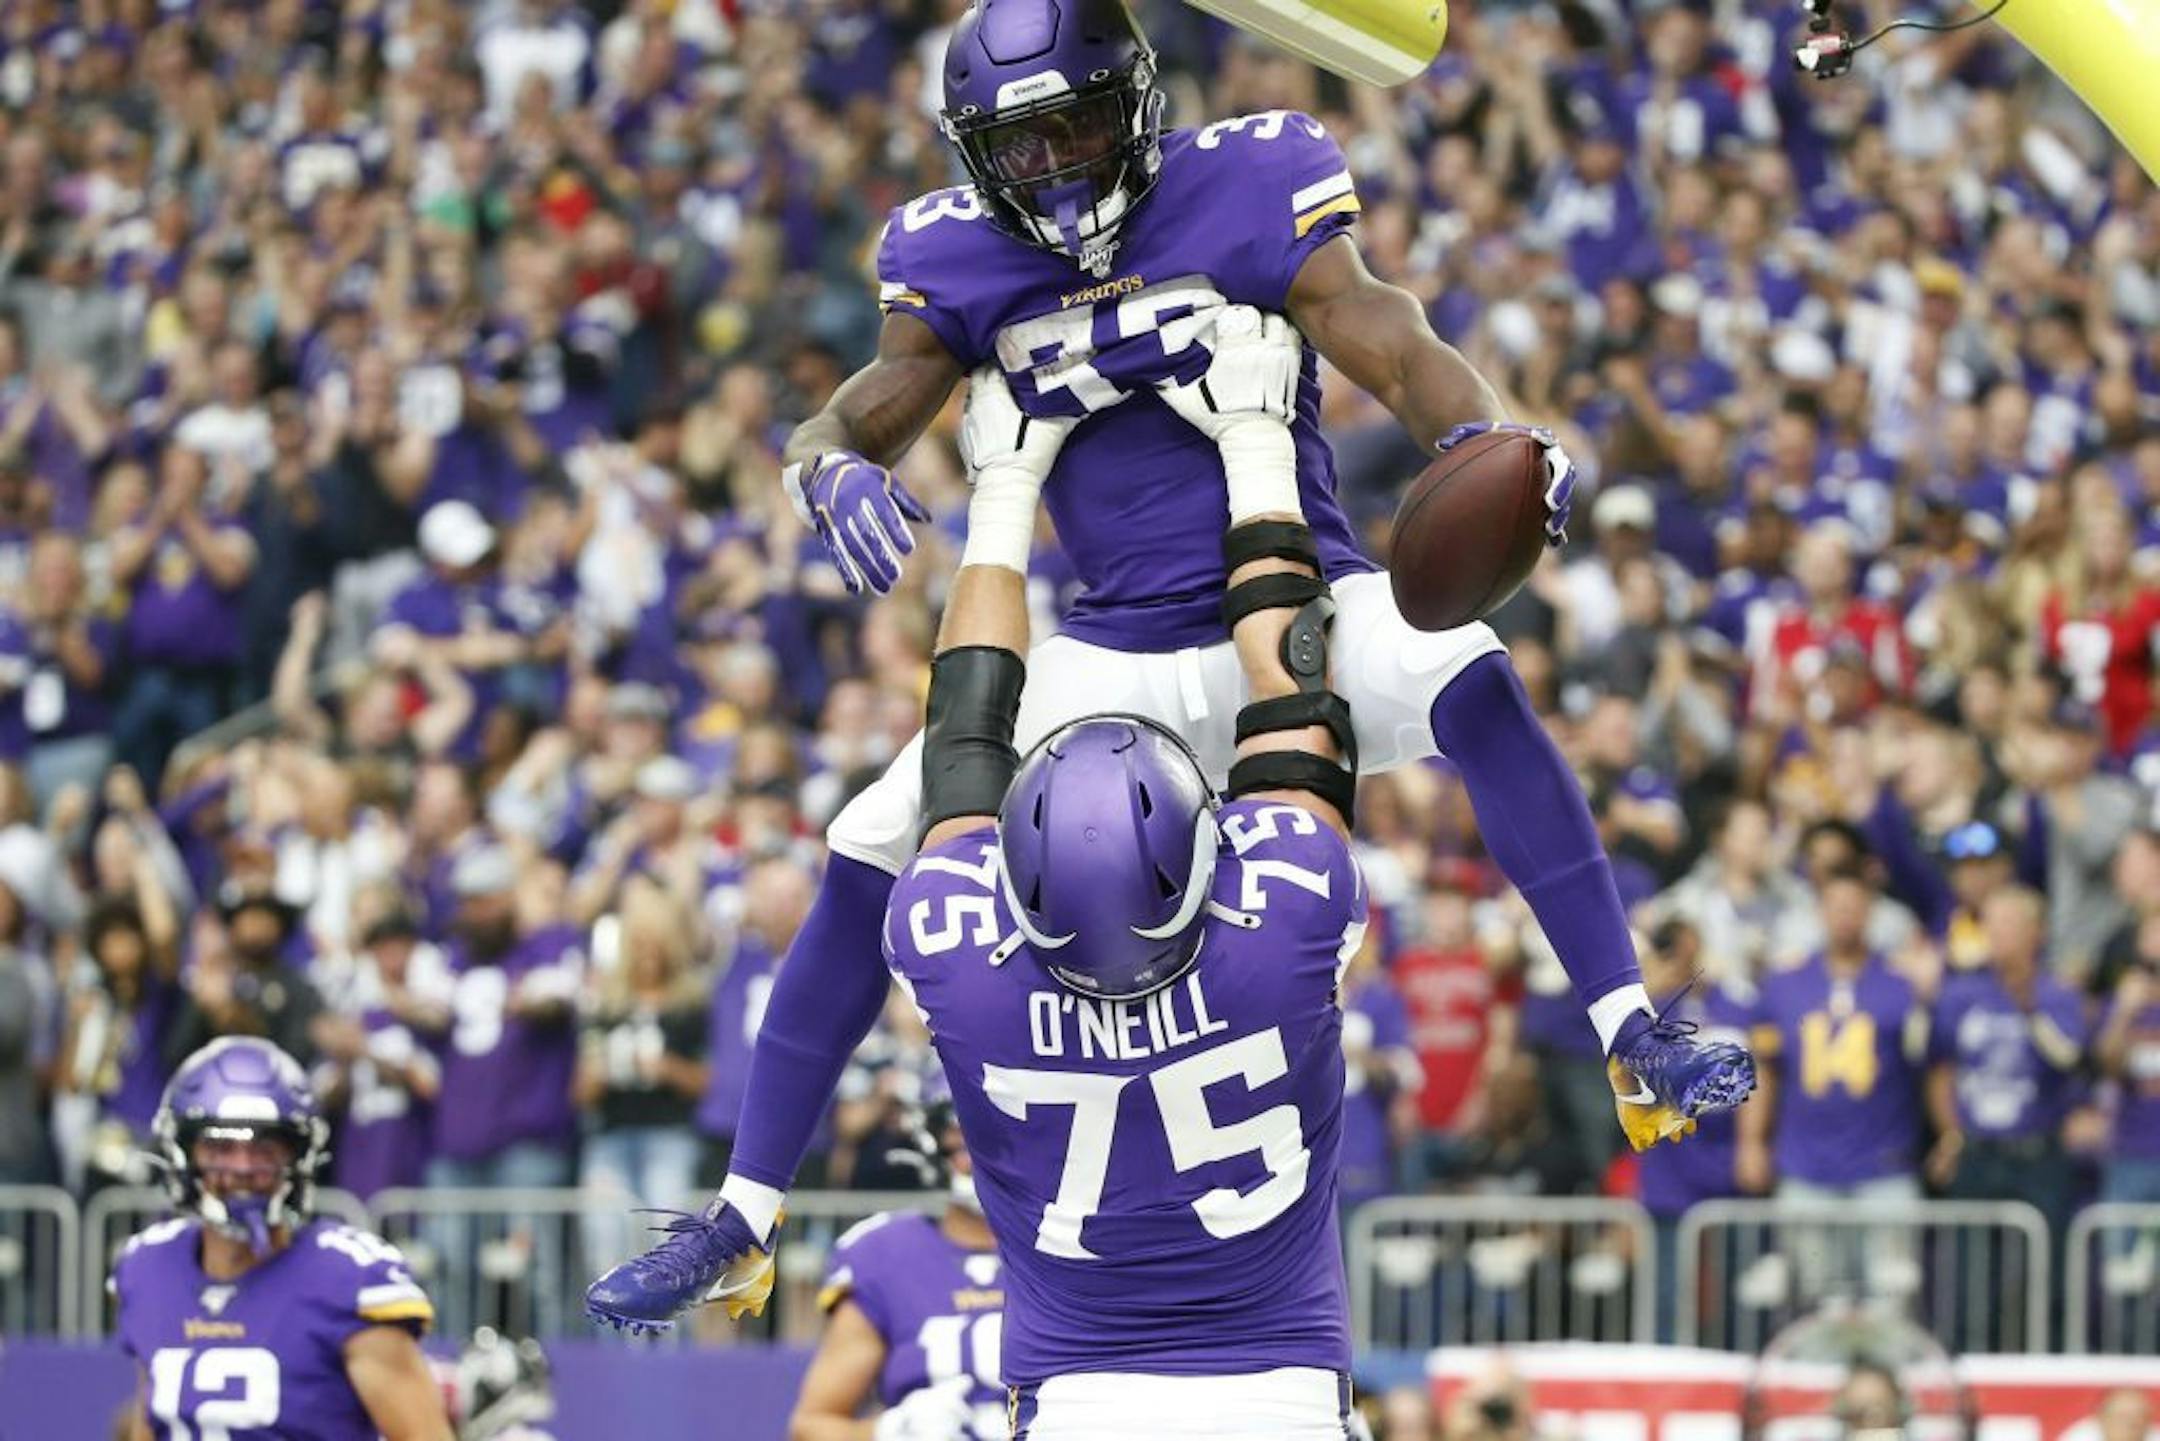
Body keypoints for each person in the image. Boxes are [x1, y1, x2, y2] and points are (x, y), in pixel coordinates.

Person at [670, 0, 1754, 1262]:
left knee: (1469, 674)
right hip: (1109, 651)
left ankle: (1629, 1028)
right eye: (1017, 149)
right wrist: (823, 463)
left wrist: (1489, 436)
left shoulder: (1250, 175)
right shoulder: (951, 254)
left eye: (1073, 127)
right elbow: (857, 409)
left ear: (1132, 100)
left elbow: (1392, 340)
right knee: (868, 840)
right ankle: (744, 1214)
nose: (1055, 169)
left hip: (1293, 598)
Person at [589, 337, 1749, 1434]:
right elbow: (1288, 677)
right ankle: (1626, 1020)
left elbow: (967, 719)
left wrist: (987, 476)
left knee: (865, 840)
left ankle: (747, 1205)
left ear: (1014, 893)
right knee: (1462, 668)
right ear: (1206, 861)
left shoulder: (958, 946)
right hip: (1277, 1383)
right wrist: (1269, 433)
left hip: (1081, 1391)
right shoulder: (1280, 908)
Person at [110, 1036, 452, 1440]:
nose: (242, 1167)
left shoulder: (346, 1280)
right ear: (183, 1152)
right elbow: (150, 1423)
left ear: (299, 1155)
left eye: (265, 1147)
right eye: (220, 1146)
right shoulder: (149, 1267)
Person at [790, 1070, 1005, 1441]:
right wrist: (892, 1430)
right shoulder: (883, 1254)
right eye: (958, 1131)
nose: (973, 1148)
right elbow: (811, 1427)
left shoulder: (1082, 1243)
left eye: (990, 1128)